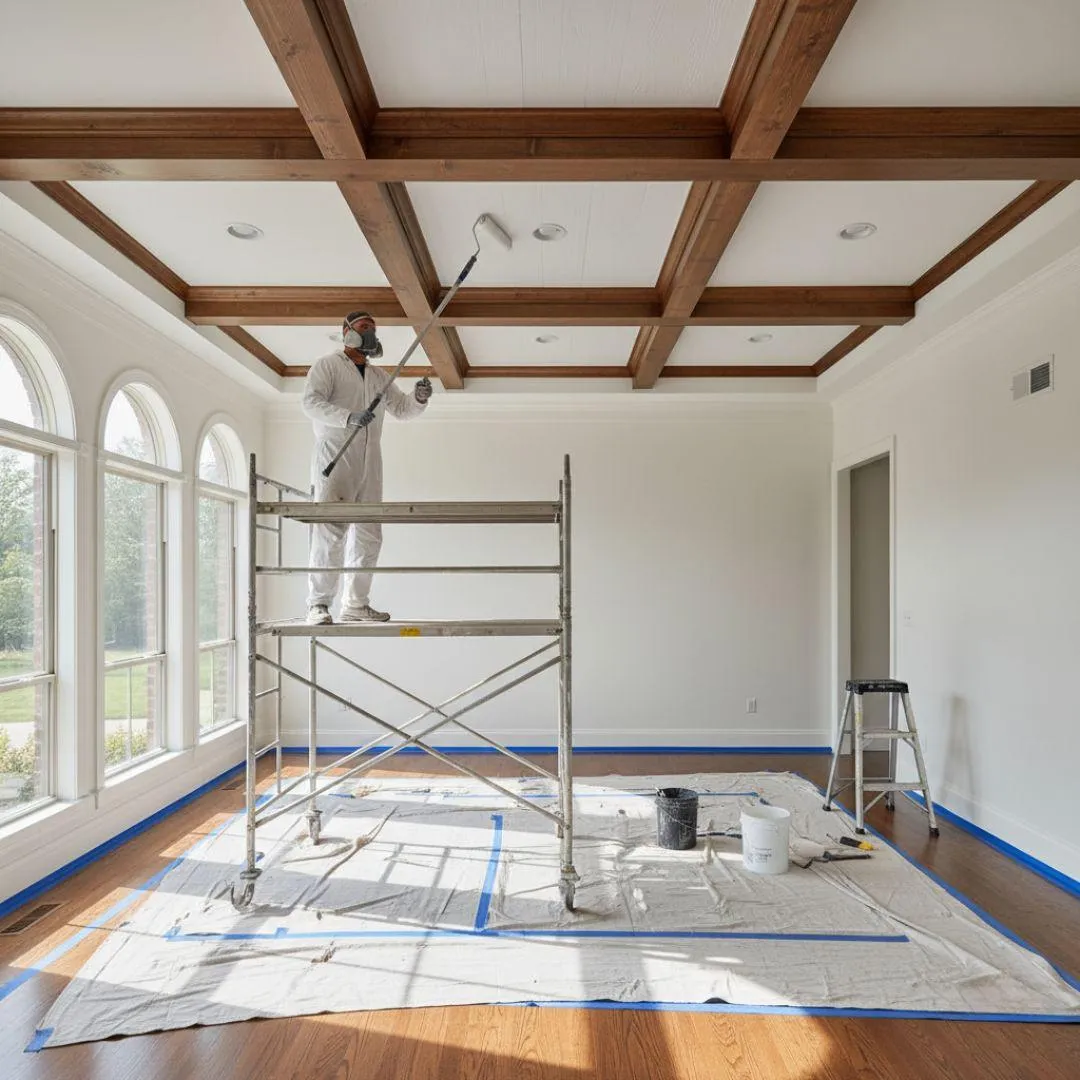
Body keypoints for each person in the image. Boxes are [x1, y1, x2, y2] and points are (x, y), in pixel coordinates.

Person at [302, 311, 433, 624]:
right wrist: (347, 417)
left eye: (373, 328)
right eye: (364, 327)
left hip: (371, 460)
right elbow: (310, 402)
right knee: (331, 531)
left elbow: (402, 409)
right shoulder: (328, 365)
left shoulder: (378, 377)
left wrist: (418, 398)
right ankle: (319, 604)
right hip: (337, 455)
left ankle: (356, 604)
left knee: (369, 534)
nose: (370, 333)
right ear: (346, 331)